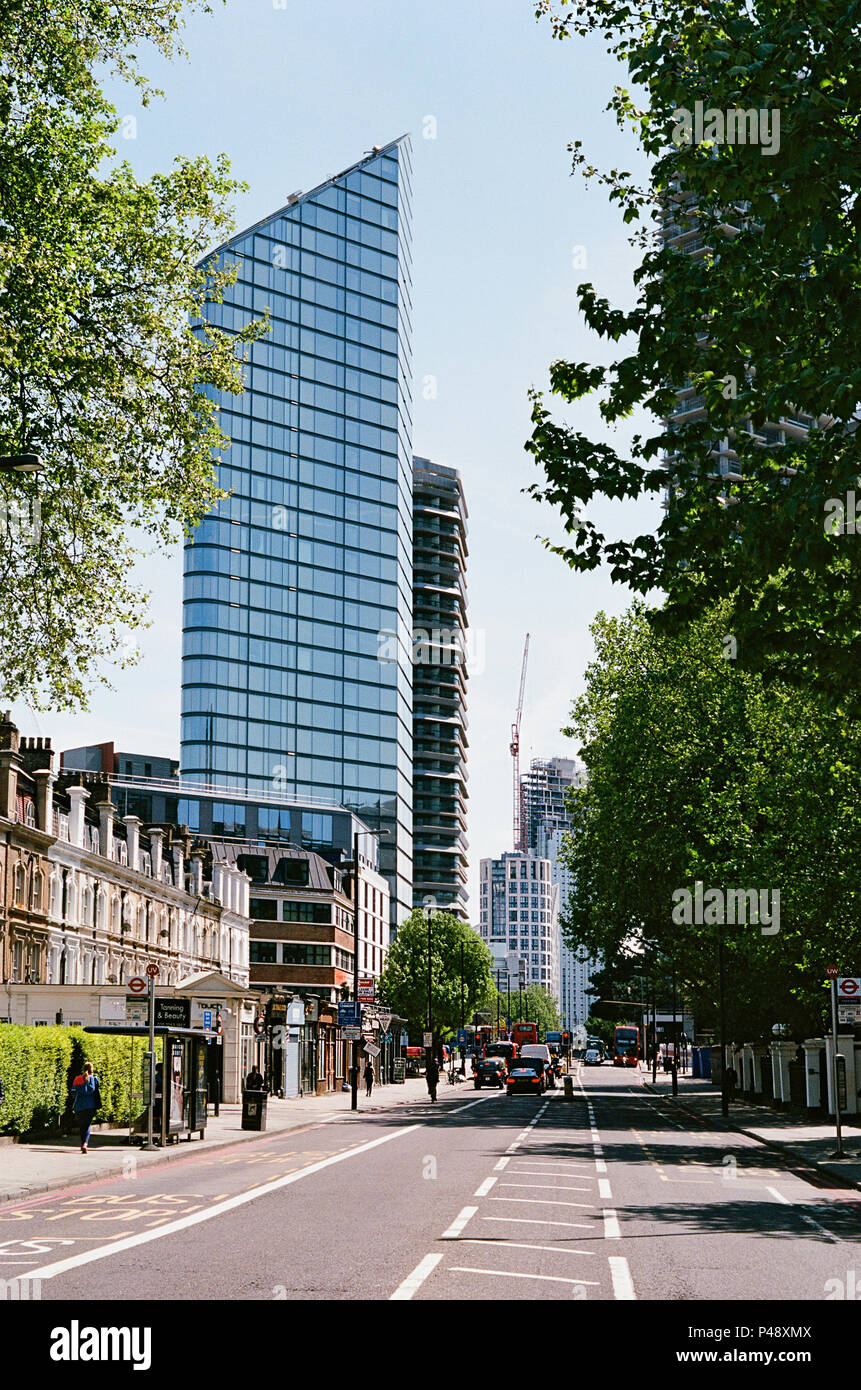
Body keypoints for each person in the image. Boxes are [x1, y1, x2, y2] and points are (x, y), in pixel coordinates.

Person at [70, 1062, 101, 1154]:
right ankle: (85, 1144)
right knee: (87, 1126)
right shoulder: (94, 1079)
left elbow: (73, 1092)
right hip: (90, 1106)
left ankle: (83, 1143)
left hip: (79, 1106)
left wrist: (79, 1089)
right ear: (92, 1069)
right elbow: (95, 1089)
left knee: (82, 1126)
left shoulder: (77, 1078)